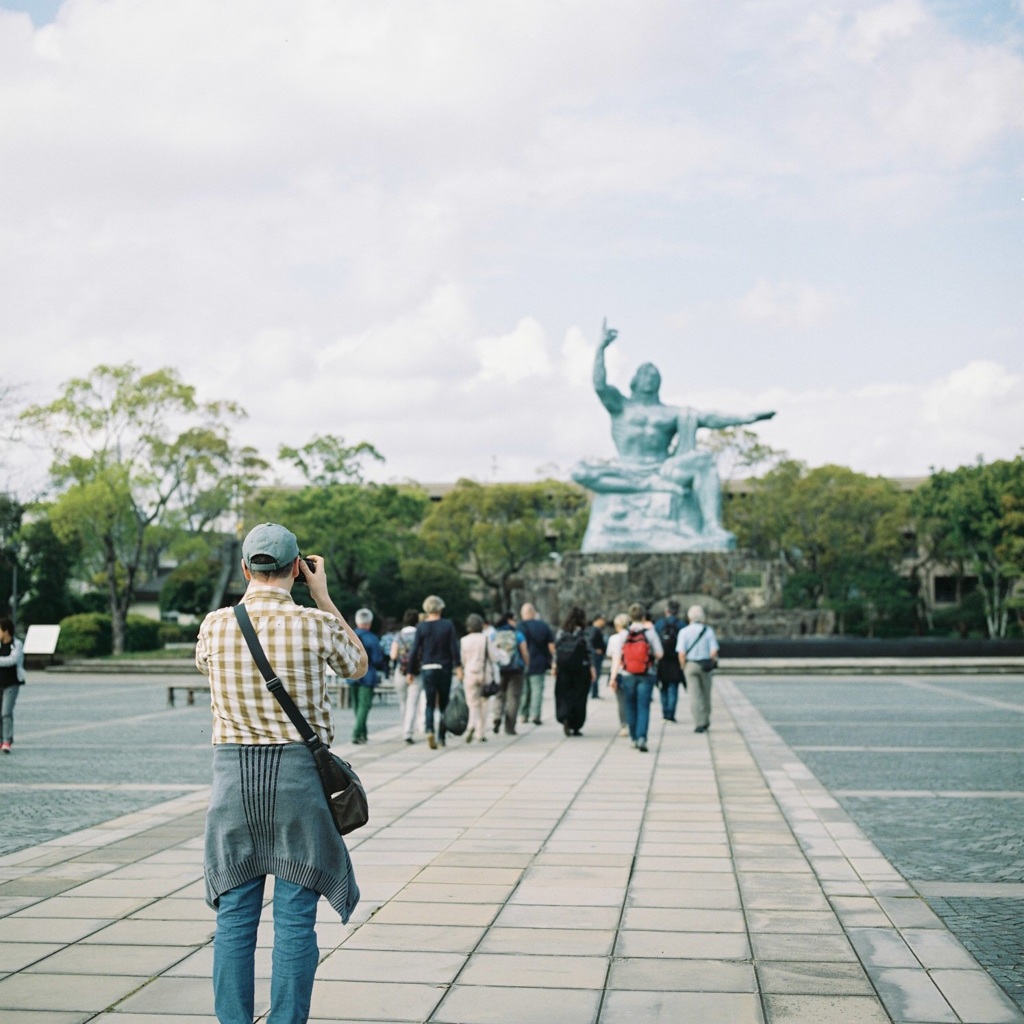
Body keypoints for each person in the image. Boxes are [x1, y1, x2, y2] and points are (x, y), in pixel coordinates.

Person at [196, 522, 368, 1024]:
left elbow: (207, 668)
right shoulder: (316, 624)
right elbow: (357, 664)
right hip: (298, 781)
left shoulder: (215, 624)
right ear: (297, 568)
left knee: (234, 919)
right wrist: (323, 596)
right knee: (295, 920)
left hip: (233, 783)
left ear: (245, 567)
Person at [573, 324, 775, 551]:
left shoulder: (670, 414)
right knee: (579, 471)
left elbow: (709, 417)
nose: (650, 377)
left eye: (654, 374)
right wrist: (600, 348)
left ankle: (711, 526)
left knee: (704, 461)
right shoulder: (621, 406)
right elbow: (599, 385)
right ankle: (644, 487)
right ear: (635, 380)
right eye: (645, 373)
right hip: (626, 471)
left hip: (663, 470)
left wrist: (746, 418)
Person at [407, 594, 461, 750]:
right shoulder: (447, 625)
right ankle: (441, 736)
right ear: (441, 608)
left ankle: (429, 730)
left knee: (430, 703)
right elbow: (453, 647)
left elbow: (415, 650)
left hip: (427, 668)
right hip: (444, 668)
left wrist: (410, 671)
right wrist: (458, 666)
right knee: (443, 703)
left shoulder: (422, 627)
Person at [614, 602, 663, 752]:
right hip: (646, 674)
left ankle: (633, 738)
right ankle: (642, 737)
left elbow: (617, 657)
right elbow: (660, 653)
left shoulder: (623, 634)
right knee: (643, 706)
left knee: (630, 705)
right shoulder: (650, 633)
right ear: (643, 616)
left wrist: (613, 677)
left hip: (628, 674)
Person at [677, 604, 720, 734]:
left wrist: (683, 666)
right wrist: (712, 662)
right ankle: (706, 719)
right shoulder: (708, 631)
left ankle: (699, 722)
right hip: (705, 665)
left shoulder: (684, 632)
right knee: (706, 694)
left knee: (694, 696)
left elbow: (681, 653)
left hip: (690, 665)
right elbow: (714, 651)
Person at [553, 606, 595, 736]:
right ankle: (576, 725)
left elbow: (556, 649)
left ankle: (565, 716)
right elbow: (589, 652)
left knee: (564, 694)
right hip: (581, 668)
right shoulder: (583, 632)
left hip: (564, 668)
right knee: (579, 696)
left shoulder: (561, 632)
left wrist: (555, 665)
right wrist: (592, 669)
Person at [460, 613, 500, 743]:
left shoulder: (464, 640)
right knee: (484, 704)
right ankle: (480, 733)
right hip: (484, 674)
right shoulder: (485, 639)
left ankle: (471, 725)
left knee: (472, 703)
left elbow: (462, 660)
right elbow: (494, 657)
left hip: (470, 674)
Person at [350, 608, 384, 745]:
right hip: (368, 674)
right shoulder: (373, 638)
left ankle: (363, 733)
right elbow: (377, 659)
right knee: (364, 705)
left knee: (356, 706)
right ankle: (357, 733)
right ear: (369, 622)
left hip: (351, 673)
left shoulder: (349, 635)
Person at [518, 602, 555, 725]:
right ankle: (535, 715)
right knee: (537, 690)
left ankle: (523, 714)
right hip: (539, 662)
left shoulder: (519, 627)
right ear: (533, 613)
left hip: (522, 663)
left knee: (524, 690)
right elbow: (551, 646)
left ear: (523, 614)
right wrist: (554, 660)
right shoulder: (543, 626)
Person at [491, 611, 527, 735]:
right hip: (516, 670)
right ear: (509, 620)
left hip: (499, 669)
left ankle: (496, 717)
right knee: (513, 698)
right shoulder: (517, 634)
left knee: (499, 695)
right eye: (514, 620)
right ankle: (509, 727)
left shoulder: (494, 634)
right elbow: (524, 651)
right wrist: (526, 664)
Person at [391, 609, 422, 744]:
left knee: (403, 702)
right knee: (412, 703)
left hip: (401, 671)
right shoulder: (420, 635)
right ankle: (408, 732)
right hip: (416, 671)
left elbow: (393, 655)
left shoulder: (399, 635)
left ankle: (404, 727)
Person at [654, 600, 686, 722]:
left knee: (663, 687)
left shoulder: (659, 624)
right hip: (675, 660)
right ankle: (671, 713)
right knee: (673, 687)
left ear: (666, 611)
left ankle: (665, 712)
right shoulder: (681, 624)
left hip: (662, 660)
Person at [0, 617, 26, 754]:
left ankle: (7, 740)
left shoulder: (16, 644)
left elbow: (12, 660)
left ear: (6, 631)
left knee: (6, 712)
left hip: (11, 684)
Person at [604, 612, 631, 737]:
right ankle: (633, 723)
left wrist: (612, 677)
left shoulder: (614, 638)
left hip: (619, 672)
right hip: (634, 672)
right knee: (633, 700)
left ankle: (624, 725)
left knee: (621, 701)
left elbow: (612, 656)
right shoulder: (634, 636)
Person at [586, 614, 607, 698]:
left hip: (597, 655)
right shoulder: (594, 630)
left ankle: (594, 691)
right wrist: (595, 651)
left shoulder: (595, 630)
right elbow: (590, 642)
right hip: (596, 656)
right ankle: (593, 692)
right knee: (595, 673)